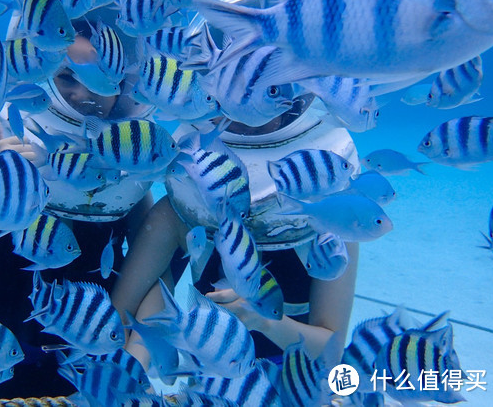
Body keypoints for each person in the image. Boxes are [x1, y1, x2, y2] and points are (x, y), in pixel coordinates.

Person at [0, 23, 157, 404]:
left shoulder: (133, 173)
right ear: (42, 72)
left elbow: (151, 274)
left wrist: (131, 365)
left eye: (102, 77)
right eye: (67, 76)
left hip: (80, 366)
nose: (84, 92)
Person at [111, 93, 361, 371]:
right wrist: (132, 370)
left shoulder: (332, 221)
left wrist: (264, 320)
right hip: (209, 382)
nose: (247, 110)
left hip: (294, 384)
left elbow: (331, 352)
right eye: (231, 92)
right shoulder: (175, 211)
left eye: (270, 89)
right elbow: (123, 317)